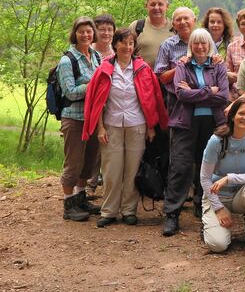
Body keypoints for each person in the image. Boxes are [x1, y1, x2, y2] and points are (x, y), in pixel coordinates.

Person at [82, 27, 168, 227]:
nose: (127, 47)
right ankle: (109, 211)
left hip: (136, 125)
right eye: (123, 42)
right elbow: (97, 102)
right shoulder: (104, 69)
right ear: (115, 44)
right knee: (111, 171)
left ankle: (129, 210)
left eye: (131, 43)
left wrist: (151, 126)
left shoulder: (143, 68)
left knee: (132, 171)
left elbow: (152, 99)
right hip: (111, 125)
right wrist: (100, 128)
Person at [162, 28, 229, 236]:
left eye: (204, 43)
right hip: (185, 122)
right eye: (196, 43)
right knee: (180, 166)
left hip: (213, 123)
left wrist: (194, 92)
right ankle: (172, 213)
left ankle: (203, 205)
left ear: (210, 45)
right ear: (191, 46)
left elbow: (223, 96)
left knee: (207, 165)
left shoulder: (218, 66)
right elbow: (181, 94)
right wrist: (209, 91)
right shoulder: (182, 65)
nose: (200, 47)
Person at [200, 97, 245, 253]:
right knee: (218, 245)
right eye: (241, 113)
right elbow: (204, 177)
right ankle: (210, 225)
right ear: (232, 116)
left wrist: (230, 178)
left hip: (241, 194)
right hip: (218, 195)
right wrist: (218, 208)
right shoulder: (216, 140)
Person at [58, 16, 103, 221]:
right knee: (74, 162)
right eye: (81, 31)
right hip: (74, 118)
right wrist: (92, 86)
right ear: (74, 34)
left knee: (89, 161)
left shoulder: (96, 56)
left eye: (89, 31)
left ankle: (80, 198)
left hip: (93, 118)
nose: (85, 35)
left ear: (93, 33)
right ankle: (69, 205)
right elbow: (70, 92)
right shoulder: (67, 60)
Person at [87, 13, 116, 196]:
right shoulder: (87, 52)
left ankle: (103, 183)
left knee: (105, 145)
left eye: (109, 29)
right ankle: (87, 184)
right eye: (102, 29)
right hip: (90, 106)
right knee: (90, 146)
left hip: (111, 106)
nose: (106, 33)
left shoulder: (116, 52)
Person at [131, 0, 174, 68]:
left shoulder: (175, 28)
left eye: (160, 4)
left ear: (167, 6)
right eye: (153, 4)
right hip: (141, 75)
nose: (156, 7)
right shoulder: (137, 26)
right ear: (146, 5)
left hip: (169, 76)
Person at [225, 9, 245, 81]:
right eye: (242, 24)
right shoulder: (232, 47)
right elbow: (228, 72)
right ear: (239, 27)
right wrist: (229, 75)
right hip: (237, 86)